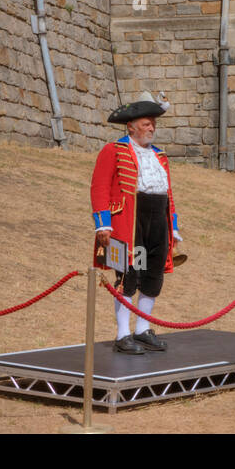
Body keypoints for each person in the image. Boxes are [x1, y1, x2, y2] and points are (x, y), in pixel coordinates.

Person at [91, 91, 182, 354]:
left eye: (153, 123)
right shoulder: (114, 150)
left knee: (151, 276)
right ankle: (122, 334)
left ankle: (142, 329)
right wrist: (103, 224)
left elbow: (168, 193)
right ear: (131, 126)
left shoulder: (160, 156)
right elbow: (99, 188)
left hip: (157, 222)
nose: (151, 127)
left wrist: (173, 227)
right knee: (129, 275)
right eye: (146, 123)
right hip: (129, 223)